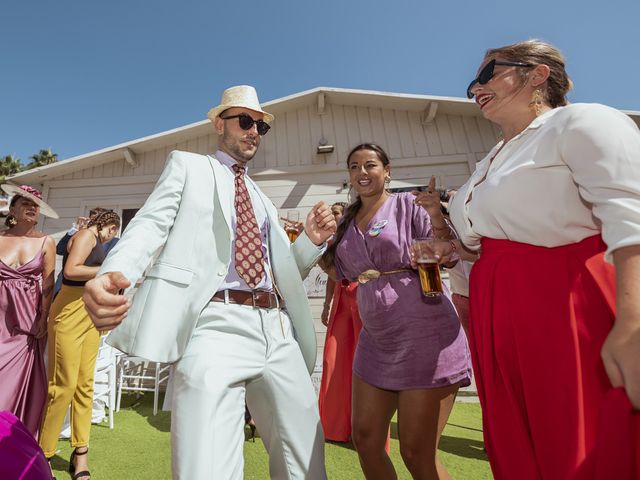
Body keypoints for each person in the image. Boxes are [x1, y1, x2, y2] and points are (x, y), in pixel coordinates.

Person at [82, 85, 335, 479]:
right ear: (220, 124)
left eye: (261, 126)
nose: (254, 131)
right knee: (207, 466)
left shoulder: (263, 200)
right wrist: (114, 273)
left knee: (305, 459)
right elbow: (149, 224)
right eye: (246, 121)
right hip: (215, 323)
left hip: (278, 329)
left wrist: (311, 243)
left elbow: (285, 272)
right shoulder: (187, 166)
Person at [426, 39, 640, 479]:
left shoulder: (582, 121)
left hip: (563, 300)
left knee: (575, 436)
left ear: (538, 73)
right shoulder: (489, 161)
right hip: (496, 310)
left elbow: (629, 212)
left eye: (486, 75)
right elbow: (481, 242)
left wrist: (634, 320)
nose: (474, 89)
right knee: (516, 441)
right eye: (471, 83)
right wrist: (449, 247)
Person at [321, 143, 472, 479]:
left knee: (417, 453)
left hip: (425, 335)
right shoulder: (346, 221)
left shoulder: (408, 205)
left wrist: (435, 215)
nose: (362, 172)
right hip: (376, 341)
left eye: (370, 165)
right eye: (354, 166)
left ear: (387, 171)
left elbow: (447, 252)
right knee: (366, 440)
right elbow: (340, 272)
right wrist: (316, 244)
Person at [39, 210, 121, 480]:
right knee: (62, 387)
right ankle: (44, 454)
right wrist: (109, 270)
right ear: (108, 226)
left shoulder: (98, 241)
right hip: (69, 311)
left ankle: (80, 452)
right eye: (112, 231)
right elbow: (72, 270)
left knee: (86, 385)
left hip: (89, 312)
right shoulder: (87, 235)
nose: (112, 237)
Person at [0, 184, 57, 437]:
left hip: (28, 322)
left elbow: (48, 283)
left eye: (36, 205)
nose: (33, 208)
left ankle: (12, 441)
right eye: (26, 203)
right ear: (12, 209)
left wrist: (44, 317)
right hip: (1, 318)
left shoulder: (47, 241)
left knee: (16, 386)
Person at [318, 201, 364, 442]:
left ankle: (364, 430)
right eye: (332, 212)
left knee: (362, 362)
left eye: (338, 212)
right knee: (333, 360)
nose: (335, 216)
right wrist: (327, 305)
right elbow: (333, 277)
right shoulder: (331, 241)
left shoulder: (358, 232)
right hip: (341, 297)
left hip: (361, 294)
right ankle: (335, 427)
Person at [53, 208, 119, 297]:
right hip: (71, 291)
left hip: (90, 293)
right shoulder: (85, 234)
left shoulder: (113, 242)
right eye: (92, 220)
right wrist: (75, 230)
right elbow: (61, 251)